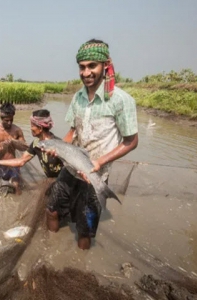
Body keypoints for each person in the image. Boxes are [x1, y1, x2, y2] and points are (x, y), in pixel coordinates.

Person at [43, 39, 139, 250]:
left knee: (84, 230)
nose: (86, 73)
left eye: (91, 66)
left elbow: (131, 141)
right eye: (82, 67)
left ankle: (80, 264)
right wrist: (56, 148)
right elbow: (72, 132)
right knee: (51, 210)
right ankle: (50, 254)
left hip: (95, 174)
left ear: (105, 65)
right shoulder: (77, 97)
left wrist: (100, 161)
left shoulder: (121, 100)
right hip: (70, 169)